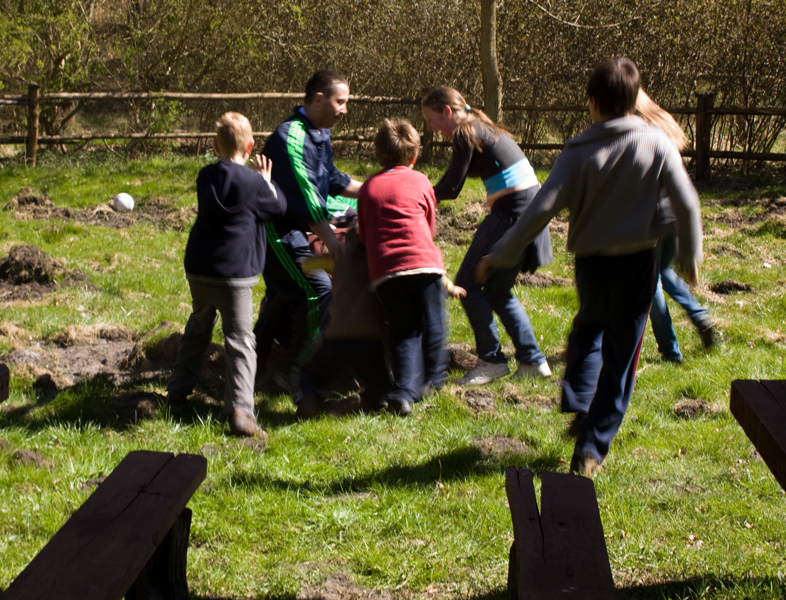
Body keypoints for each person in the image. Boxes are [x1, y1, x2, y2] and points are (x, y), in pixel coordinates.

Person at [477, 58, 703, 476]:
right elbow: (687, 200)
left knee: (588, 331)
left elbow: (539, 209)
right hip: (637, 264)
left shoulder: (578, 150)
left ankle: (581, 400)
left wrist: (502, 254)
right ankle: (592, 447)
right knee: (621, 356)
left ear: (592, 101)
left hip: (592, 266)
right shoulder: (656, 143)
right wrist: (690, 252)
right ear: (635, 100)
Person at [421, 87, 553, 386]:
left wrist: (415, 193)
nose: (429, 127)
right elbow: (450, 179)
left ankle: (491, 360)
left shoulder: (464, 132)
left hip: (512, 212)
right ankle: (532, 361)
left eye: (430, 119)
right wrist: (427, 188)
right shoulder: (479, 126)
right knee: (497, 289)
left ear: (447, 112)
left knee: (467, 284)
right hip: (530, 210)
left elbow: (452, 188)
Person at [167, 112, 286, 437]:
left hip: (200, 270)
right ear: (250, 147)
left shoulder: (205, 176)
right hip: (235, 274)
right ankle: (241, 412)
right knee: (240, 340)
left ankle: (177, 390)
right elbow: (278, 207)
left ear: (215, 146)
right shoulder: (254, 183)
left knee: (198, 326)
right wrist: (265, 180)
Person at [256, 70, 363, 392]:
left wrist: (378, 188)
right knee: (318, 291)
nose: (344, 109)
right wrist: (330, 239)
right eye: (340, 101)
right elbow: (307, 198)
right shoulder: (291, 137)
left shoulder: (319, 132)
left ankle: (257, 362)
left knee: (283, 294)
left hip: (298, 230)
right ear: (319, 99)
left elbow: (332, 179)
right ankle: (299, 371)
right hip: (278, 233)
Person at [357, 117, 450, 416]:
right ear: (414, 155)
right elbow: (430, 225)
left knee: (405, 330)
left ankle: (402, 392)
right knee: (434, 322)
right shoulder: (421, 181)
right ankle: (434, 379)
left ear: (378, 154)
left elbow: (364, 234)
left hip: (386, 271)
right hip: (423, 263)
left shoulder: (368, 187)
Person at [635, 89, 715, 363]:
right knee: (662, 272)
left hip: (655, 215)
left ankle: (670, 350)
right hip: (677, 213)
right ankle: (699, 315)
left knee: (651, 283)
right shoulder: (663, 121)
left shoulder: (641, 129)